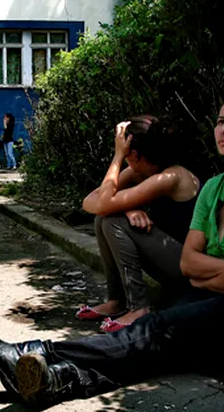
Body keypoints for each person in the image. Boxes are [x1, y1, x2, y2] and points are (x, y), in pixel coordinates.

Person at [0, 98, 224, 406]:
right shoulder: (214, 187)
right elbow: (188, 262)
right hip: (202, 294)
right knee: (156, 348)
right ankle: (59, 379)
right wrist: (218, 273)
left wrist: (208, 276)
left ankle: (39, 352)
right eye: (221, 121)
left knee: (152, 333)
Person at [77, 116, 201, 331]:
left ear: (133, 154)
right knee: (103, 219)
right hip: (172, 259)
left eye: (126, 155)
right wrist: (127, 208)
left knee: (113, 222)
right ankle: (117, 301)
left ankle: (139, 308)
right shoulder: (141, 171)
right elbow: (90, 201)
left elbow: (104, 203)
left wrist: (117, 156)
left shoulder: (171, 177)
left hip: (191, 266)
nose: (125, 160)